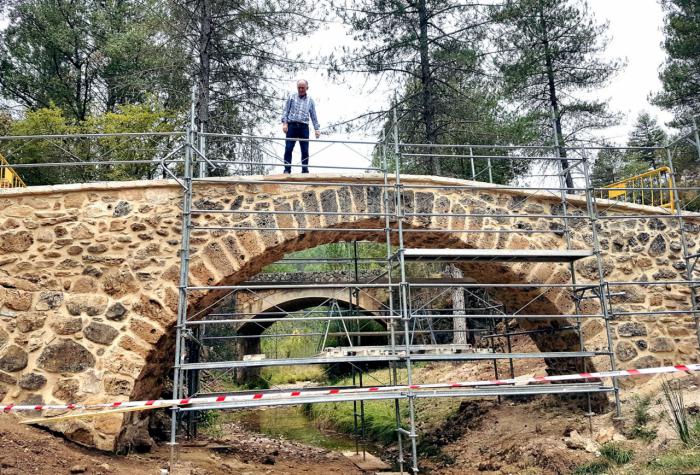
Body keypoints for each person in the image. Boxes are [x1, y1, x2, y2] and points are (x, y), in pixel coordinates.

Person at [280, 79, 320, 174]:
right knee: (288, 148)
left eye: (303, 87)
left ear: (307, 88)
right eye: (299, 87)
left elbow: (313, 115)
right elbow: (285, 111)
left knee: (305, 150)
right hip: (292, 126)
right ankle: (287, 169)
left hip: (304, 127)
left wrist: (317, 129)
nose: (301, 89)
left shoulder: (310, 100)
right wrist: (285, 123)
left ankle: (305, 170)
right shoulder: (292, 97)